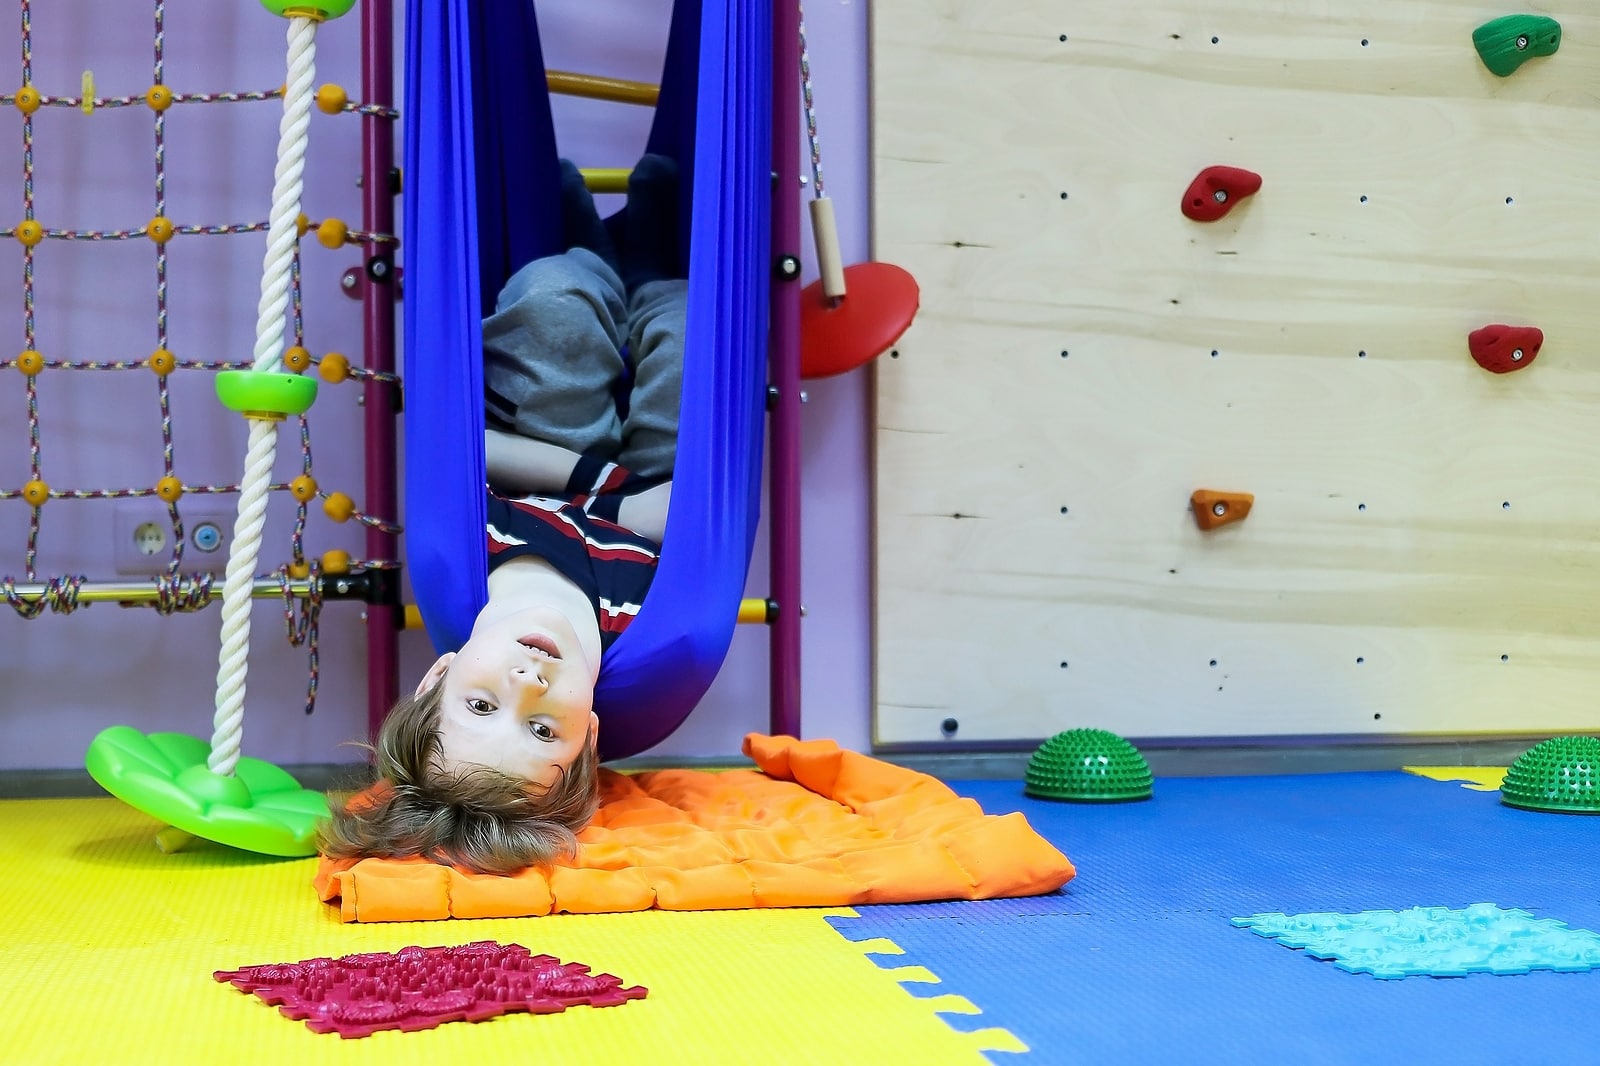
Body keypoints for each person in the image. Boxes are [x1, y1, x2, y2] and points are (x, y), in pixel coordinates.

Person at [319, 154, 687, 875]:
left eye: (482, 706)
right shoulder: (644, 620)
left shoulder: (465, 565)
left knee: (555, 304)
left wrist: (599, 484)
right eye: (545, 729)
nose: (526, 684)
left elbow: (471, 456)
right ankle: (638, 265)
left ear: (437, 678)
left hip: (545, 445)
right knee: (686, 329)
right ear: (592, 738)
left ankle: (593, 258)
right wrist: (632, 498)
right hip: (652, 470)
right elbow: (688, 512)